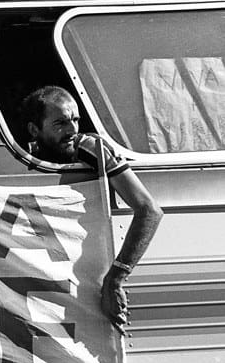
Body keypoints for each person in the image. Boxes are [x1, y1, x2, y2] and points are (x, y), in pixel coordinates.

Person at [22, 85, 163, 333]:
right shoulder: (26, 156)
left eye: (75, 120)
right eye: (60, 124)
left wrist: (115, 278)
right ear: (35, 130)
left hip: (92, 282)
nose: (72, 130)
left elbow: (149, 210)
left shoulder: (90, 148)